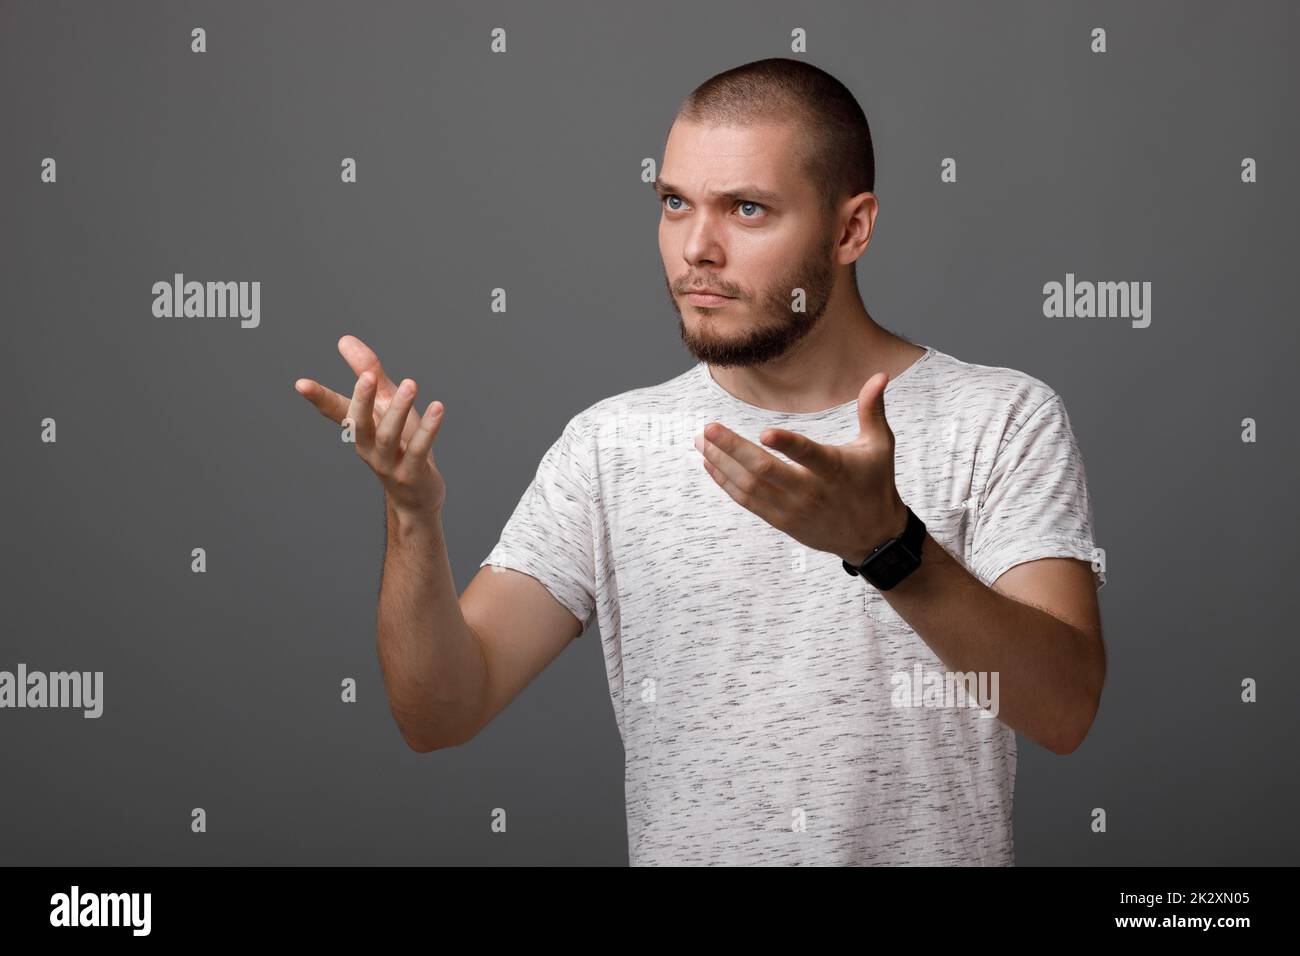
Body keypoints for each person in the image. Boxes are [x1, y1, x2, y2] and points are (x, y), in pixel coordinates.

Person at [294, 57, 1105, 866]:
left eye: (747, 209)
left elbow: (1063, 709)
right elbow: (441, 714)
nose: (697, 250)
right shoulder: (611, 445)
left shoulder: (999, 418)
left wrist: (889, 547)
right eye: (675, 204)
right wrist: (411, 515)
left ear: (851, 228)